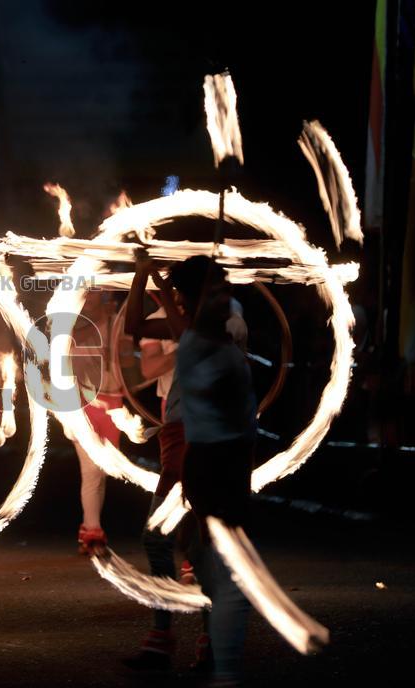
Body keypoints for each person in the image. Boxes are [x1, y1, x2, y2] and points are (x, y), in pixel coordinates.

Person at [128, 254, 255, 683]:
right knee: (192, 545)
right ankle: (188, 640)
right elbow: (135, 327)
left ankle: (186, 640)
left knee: (177, 541)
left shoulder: (228, 323)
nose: (177, 302)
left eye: (183, 295)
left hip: (202, 443)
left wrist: (161, 286)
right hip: (181, 438)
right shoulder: (193, 321)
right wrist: (142, 277)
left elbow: (191, 334)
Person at [70, 290, 127, 556]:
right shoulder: (73, 326)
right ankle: (93, 533)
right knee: (91, 472)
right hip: (82, 405)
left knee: (101, 472)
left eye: (96, 292)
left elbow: (128, 361)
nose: (90, 297)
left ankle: (89, 528)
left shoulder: (118, 322)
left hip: (113, 404)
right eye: (87, 292)